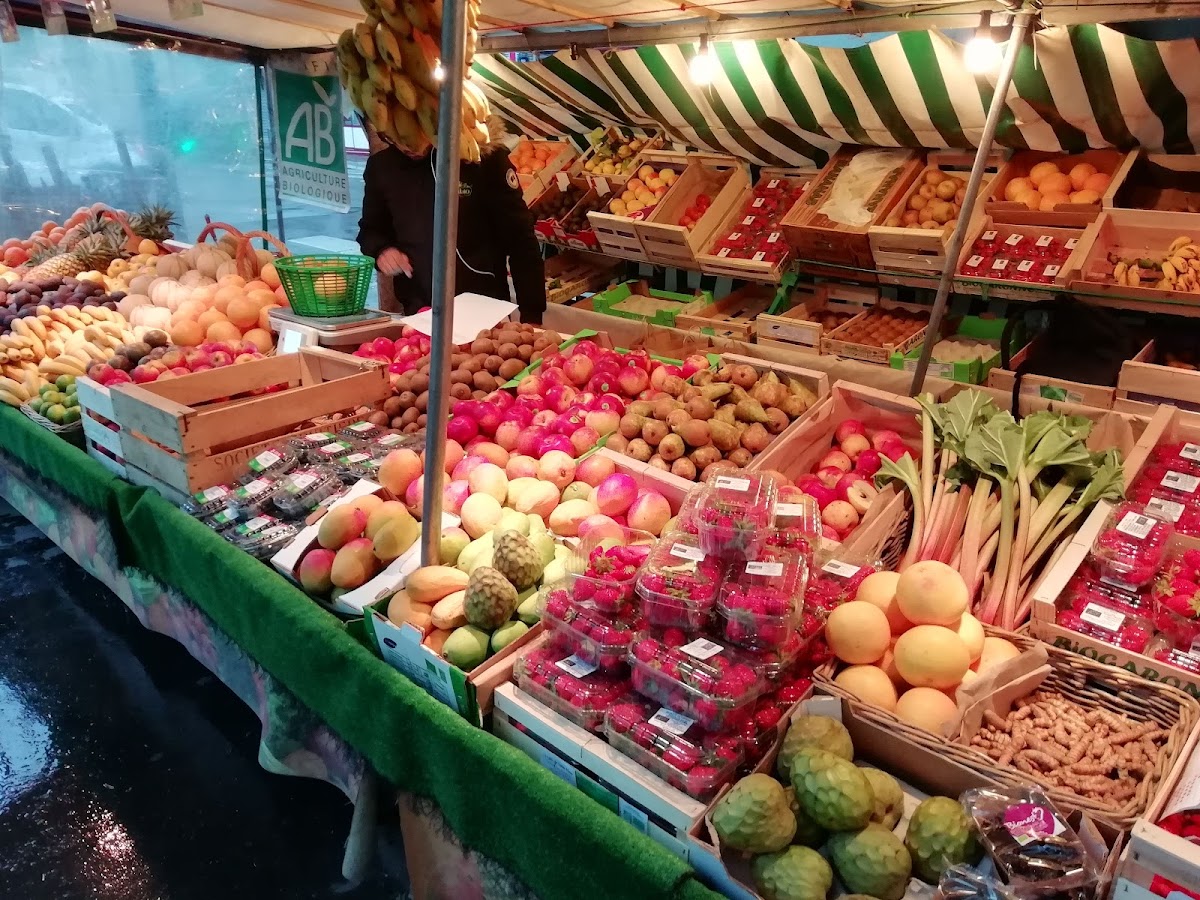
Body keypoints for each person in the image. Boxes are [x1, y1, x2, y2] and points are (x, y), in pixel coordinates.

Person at [356, 122, 546, 323]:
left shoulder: (483, 158)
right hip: (419, 311)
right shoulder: (382, 168)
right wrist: (382, 251)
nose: (406, 147)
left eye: (410, 136)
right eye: (392, 139)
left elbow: (521, 240)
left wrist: (531, 314)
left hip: (486, 311)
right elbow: (371, 230)